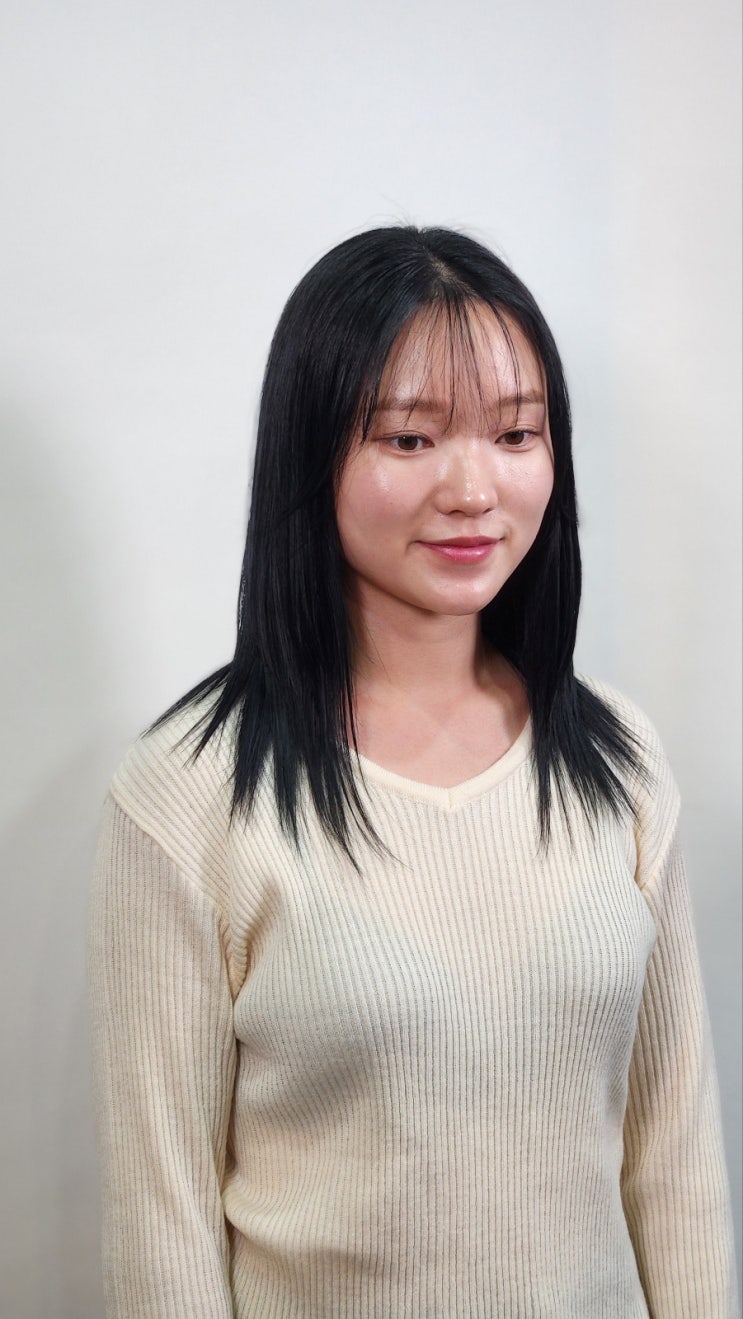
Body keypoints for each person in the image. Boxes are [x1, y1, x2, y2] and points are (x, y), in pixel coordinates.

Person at [87, 226, 737, 1318]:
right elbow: (163, 1229)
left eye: (515, 432)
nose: (473, 487)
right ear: (313, 452)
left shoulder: (618, 760)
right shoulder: (189, 795)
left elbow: (674, 1163)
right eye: (409, 437)